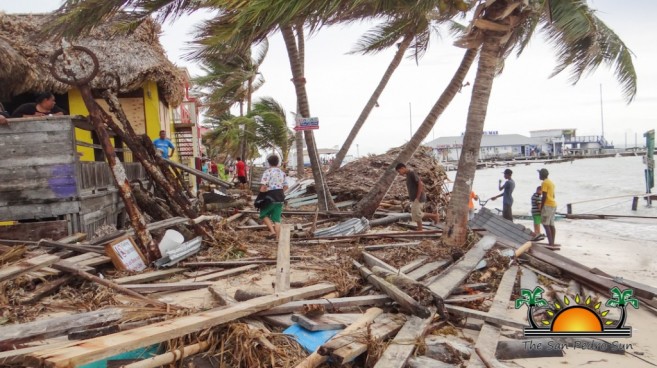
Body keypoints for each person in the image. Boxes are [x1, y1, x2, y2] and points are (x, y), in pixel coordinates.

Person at [395, 163, 440, 231]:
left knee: (417, 213)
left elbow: (420, 184)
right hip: (414, 198)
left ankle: (431, 219)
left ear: (402, 168)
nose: (399, 173)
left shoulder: (412, 173)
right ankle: (423, 226)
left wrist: (418, 197)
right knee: (416, 213)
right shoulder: (408, 175)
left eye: (399, 171)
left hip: (419, 197)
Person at [259, 155, 288, 240]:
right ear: (278, 162)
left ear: (268, 162)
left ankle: (272, 231)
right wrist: (281, 192)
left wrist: (260, 197)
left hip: (270, 196)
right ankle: (277, 239)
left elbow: (264, 186)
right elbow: (286, 186)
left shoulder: (267, 172)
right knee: (277, 219)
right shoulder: (282, 173)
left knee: (263, 213)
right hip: (280, 196)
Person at [539, 168, 558, 248]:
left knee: (545, 224)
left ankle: (550, 243)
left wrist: (542, 206)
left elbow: (544, 196)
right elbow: (553, 195)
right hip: (553, 204)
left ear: (542, 175)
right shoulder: (551, 182)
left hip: (547, 205)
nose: (539, 176)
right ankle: (552, 242)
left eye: (539, 174)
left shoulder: (544, 183)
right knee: (551, 224)